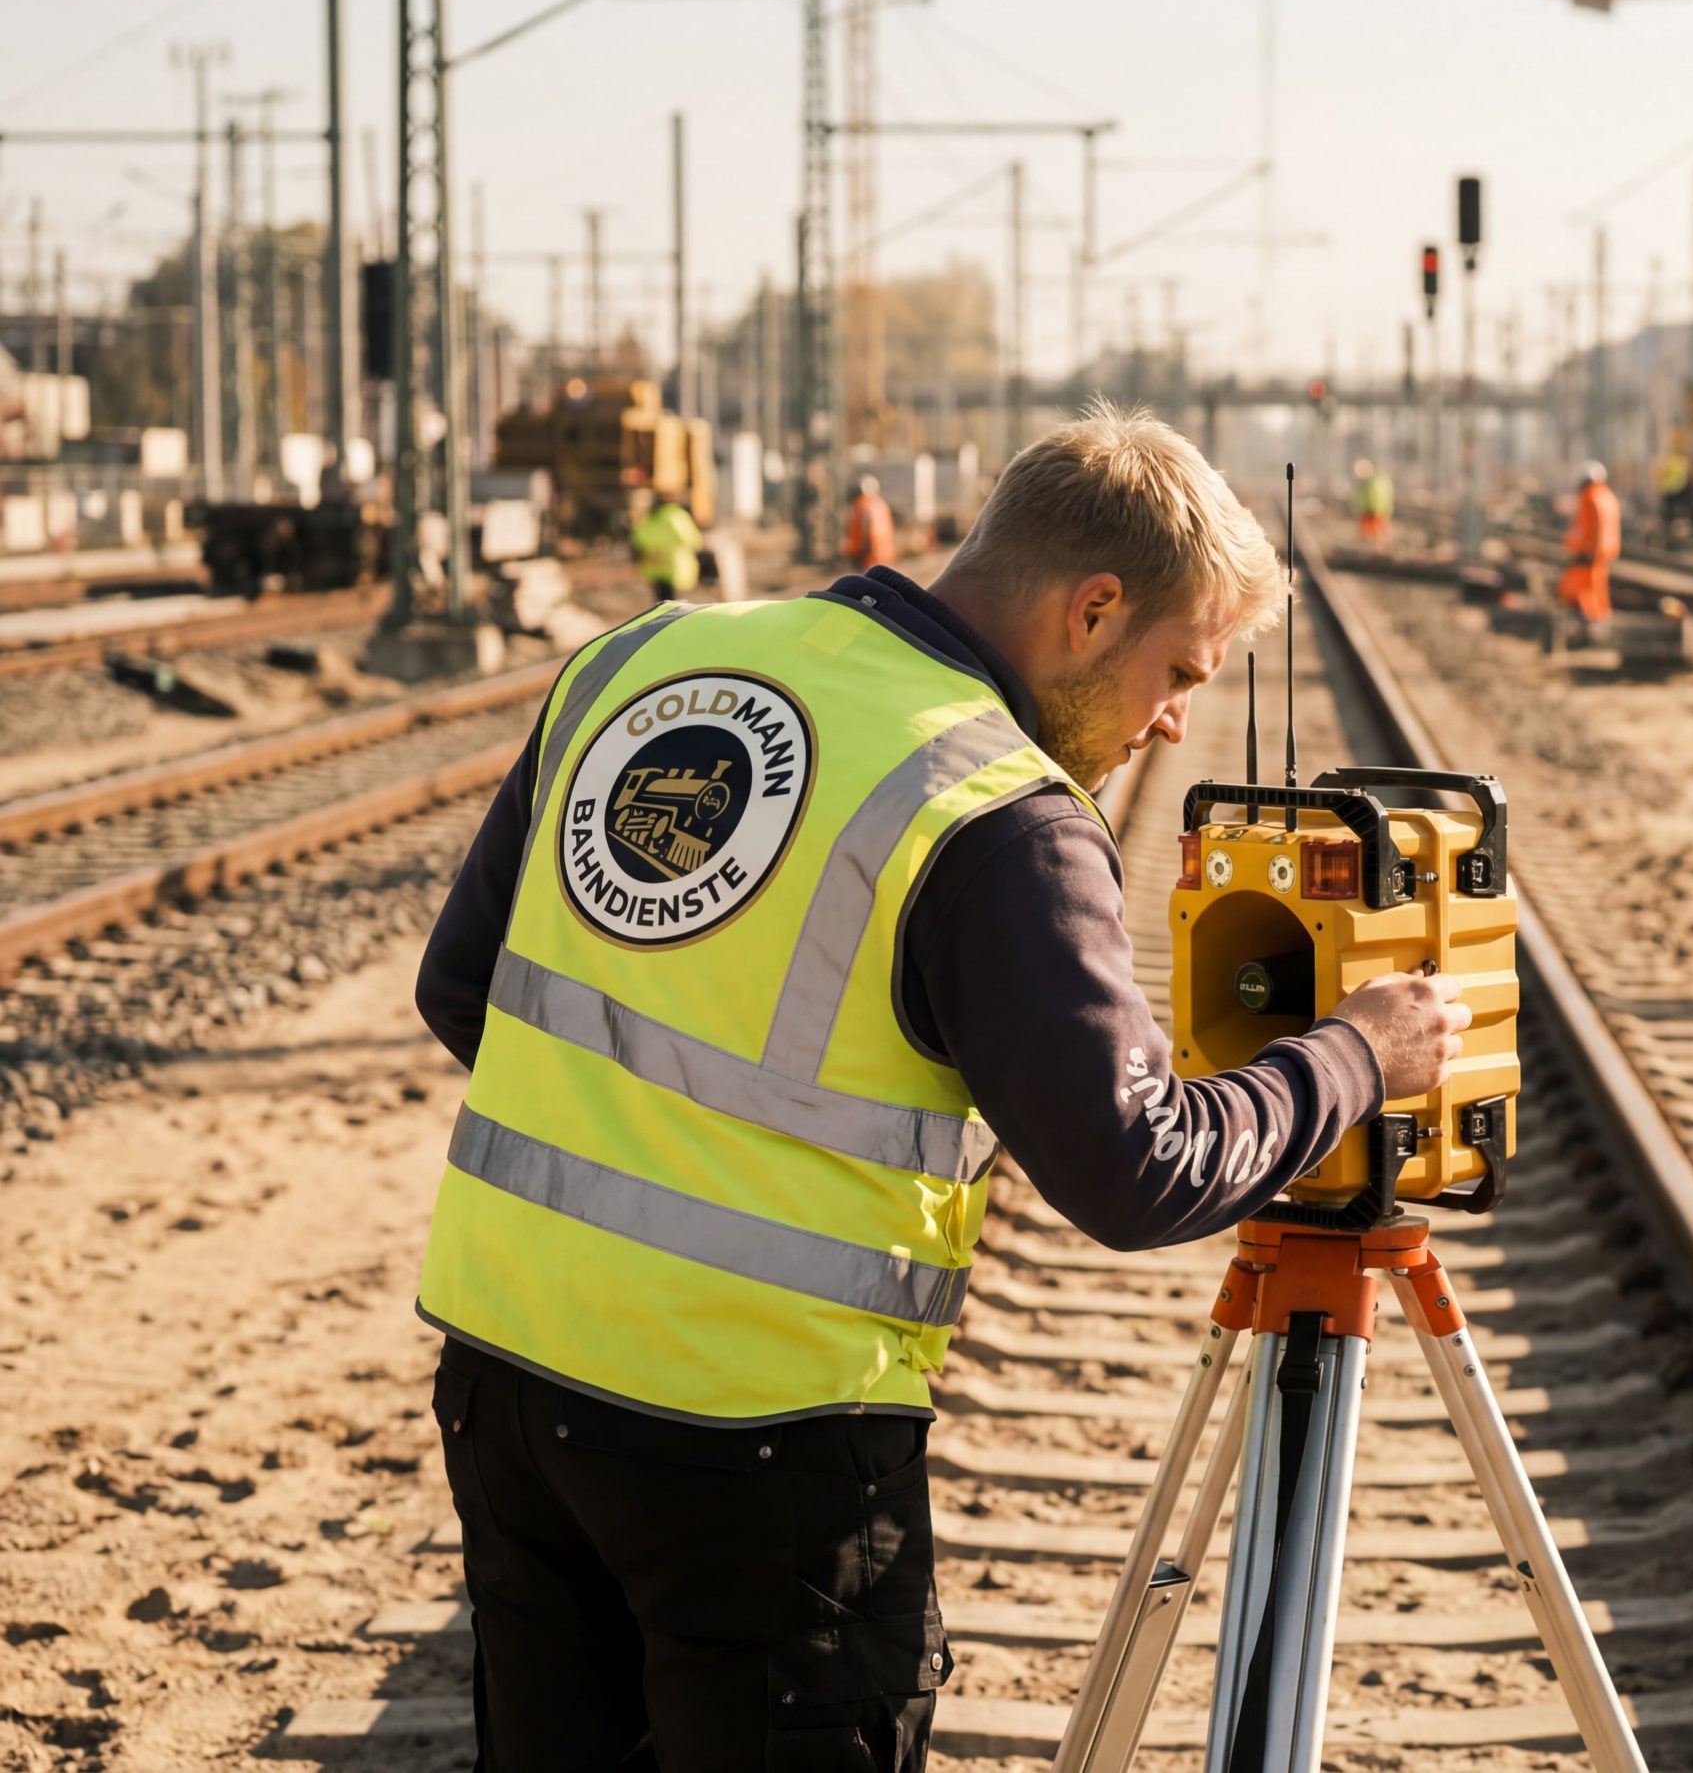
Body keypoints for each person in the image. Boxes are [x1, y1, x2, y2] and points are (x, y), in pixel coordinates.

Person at [410, 405, 1471, 1770]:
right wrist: (1355, 1055)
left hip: (511, 1383)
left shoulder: (642, 658)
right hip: (763, 1441)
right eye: (1178, 667)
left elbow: (463, 992)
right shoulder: (995, 808)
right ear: (1093, 609)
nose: (1175, 718)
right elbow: (1136, 1165)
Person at [1557, 459, 1620, 625]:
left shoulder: (1590, 496)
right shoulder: (1607, 495)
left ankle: (1590, 623)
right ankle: (1598, 619)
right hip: (1603, 552)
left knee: (1583, 590)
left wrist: (1586, 549)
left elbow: (1591, 526)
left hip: (1588, 552)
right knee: (1597, 589)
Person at [630, 490, 703, 604]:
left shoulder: (649, 518)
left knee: (661, 604)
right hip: (676, 567)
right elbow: (693, 540)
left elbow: (638, 540)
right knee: (679, 606)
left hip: (654, 566)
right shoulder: (676, 516)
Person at [842, 471, 898, 572]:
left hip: (867, 555)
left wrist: (863, 551)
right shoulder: (882, 504)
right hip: (884, 554)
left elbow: (866, 529)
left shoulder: (862, 505)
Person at [1349, 457, 1395, 546]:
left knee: (1378, 531)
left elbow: (1379, 496)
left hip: (1376, 509)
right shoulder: (1369, 481)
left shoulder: (1376, 481)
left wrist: (1374, 507)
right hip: (1371, 509)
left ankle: (1379, 547)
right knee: (1370, 531)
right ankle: (1371, 546)